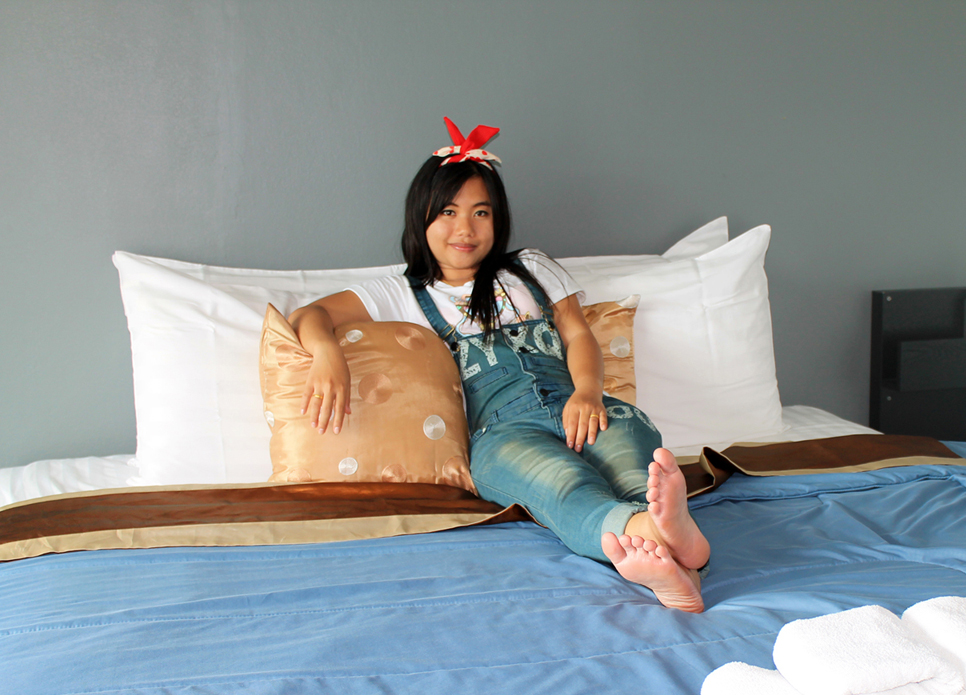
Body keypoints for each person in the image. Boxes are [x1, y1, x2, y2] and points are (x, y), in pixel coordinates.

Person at [288, 118, 709, 612]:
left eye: (481, 212)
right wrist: (327, 354)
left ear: (498, 218)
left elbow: (577, 333)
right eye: (448, 211)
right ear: (420, 217)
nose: (465, 229)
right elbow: (309, 315)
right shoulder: (400, 292)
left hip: (583, 405)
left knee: (636, 473)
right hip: (505, 435)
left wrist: (588, 392)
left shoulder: (531, 267)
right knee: (564, 487)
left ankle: (670, 557)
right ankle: (677, 544)